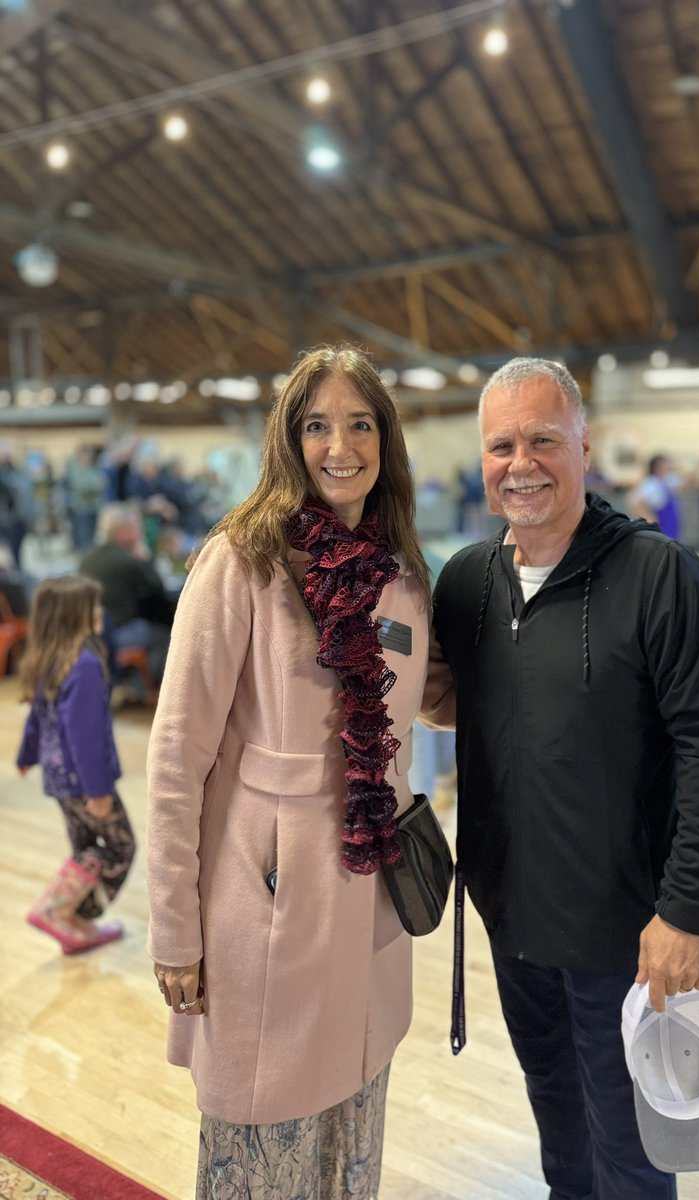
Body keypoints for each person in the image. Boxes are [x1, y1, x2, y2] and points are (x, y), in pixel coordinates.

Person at [422, 357, 699, 1200]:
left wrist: (687, 909)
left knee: (634, 1157)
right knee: (561, 1138)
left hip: (627, 934)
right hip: (513, 920)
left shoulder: (658, 576)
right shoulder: (467, 582)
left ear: (583, 444)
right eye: (501, 444)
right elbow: (463, 701)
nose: (520, 462)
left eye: (542, 439)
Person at [145, 345, 432, 1200]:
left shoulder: (402, 574)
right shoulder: (244, 560)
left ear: (385, 439)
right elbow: (175, 756)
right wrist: (173, 933)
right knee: (259, 1158)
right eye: (316, 425)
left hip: (369, 901)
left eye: (358, 423)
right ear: (288, 440)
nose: (339, 445)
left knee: (351, 1149)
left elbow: (440, 690)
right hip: (267, 908)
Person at [16, 575, 135, 953]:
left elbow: (38, 715)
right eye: (92, 606)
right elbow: (86, 735)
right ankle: (64, 914)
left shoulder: (50, 657)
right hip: (84, 780)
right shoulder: (83, 663)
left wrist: (27, 755)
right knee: (120, 847)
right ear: (73, 615)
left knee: (86, 846)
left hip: (58, 778)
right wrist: (97, 790)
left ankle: (71, 922)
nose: (99, 613)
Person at [80, 501, 175, 690]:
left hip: (90, 633)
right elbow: (158, 586)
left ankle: (135, 682)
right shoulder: (125, 560)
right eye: (136, 527)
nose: (140, 532)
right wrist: (145, 557)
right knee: (166, 632)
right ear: (122, 532)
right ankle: (148, 688)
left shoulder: (87, 558)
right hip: (117, 634)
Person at [630, 452, 681, 539]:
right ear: (657, 467)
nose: (669, 468)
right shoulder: (650, 483)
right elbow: (634, 501)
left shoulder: (666, 481)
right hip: (661, 526)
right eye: (666, 465)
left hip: (671, 527)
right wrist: (649, 518)